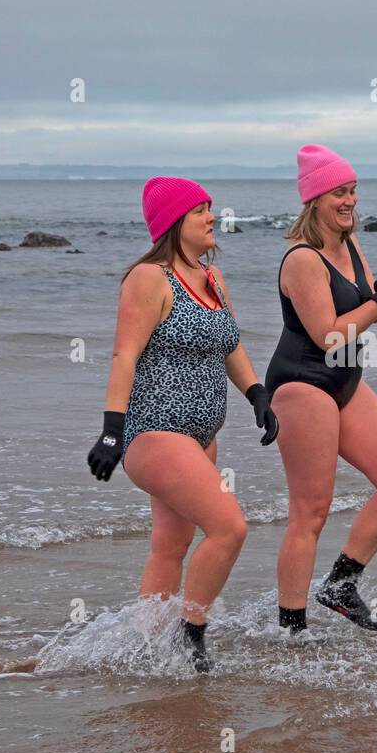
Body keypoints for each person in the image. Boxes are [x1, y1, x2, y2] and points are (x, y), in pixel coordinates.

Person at [86, 177, 278, 673]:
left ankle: (147, 649)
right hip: (154, 433)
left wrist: (256, 394)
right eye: (200, 211)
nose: (212, 217)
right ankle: (191, 636)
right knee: (229, 528)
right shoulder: (149, 278)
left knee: (171, 545)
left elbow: (230, 343)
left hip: (201, 437)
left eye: (210, 208)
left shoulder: (212, 278)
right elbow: (123, 355)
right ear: (174, 223)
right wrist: (111, 431)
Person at [264, 144, 377, 636]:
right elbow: (329, 335)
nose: (350, 200)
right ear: (315, 200)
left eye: (353, 190)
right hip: (302, 385)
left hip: (345, 381)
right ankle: (291, 630)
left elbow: (361, 312)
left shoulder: (350, 243)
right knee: (310, 513)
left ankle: (340, 585)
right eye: (339, 192)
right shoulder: (302, 259)